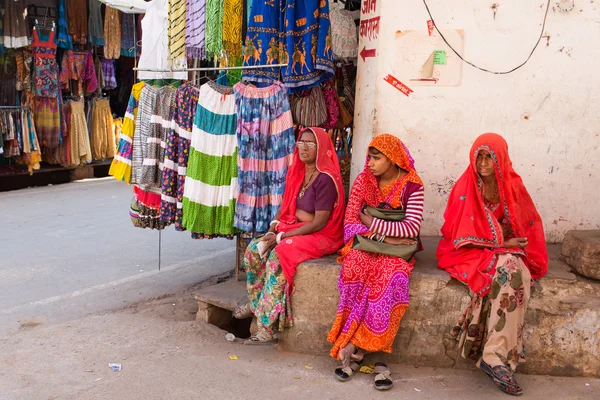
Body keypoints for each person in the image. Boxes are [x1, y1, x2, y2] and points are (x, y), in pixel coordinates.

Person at [436, 133, 548, 396]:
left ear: (501, 158)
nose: (484, 163)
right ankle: (496, 357)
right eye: (480, 156)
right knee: (508, 268)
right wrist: (501, 243)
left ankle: (493, 353)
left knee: (516, 272)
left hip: (503, 252)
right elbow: (458, 235)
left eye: (490, 156)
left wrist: (507, 245)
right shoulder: (465, 188)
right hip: (468, 253)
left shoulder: (513, 187)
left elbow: (526, 227)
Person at [328, 134, 425, 391]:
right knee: (354, 267)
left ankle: (361, 350)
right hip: (367, 244)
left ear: (393, 160)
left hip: (396, 254)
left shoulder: (413, 184)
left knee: (392, 276)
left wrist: (373, 223)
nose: (369, 162)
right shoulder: (363, 181)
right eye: (369, 157)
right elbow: (351, 222)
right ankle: (372, 356)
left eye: (376, 158)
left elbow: (411, 228)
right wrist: (386, 236)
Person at [234, 127, 345, 344]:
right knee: (253, 250)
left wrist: (281, 237)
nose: (303, 147)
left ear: (321, 148)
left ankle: (266, 326)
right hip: (296, 227)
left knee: (279, 255)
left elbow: (319, 221)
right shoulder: (298, 172)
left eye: (310, 144)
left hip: (322, 234)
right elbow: (286, 206)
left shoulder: (326, 180)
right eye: (301, 142)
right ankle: (256, 303)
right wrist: (272, 229)